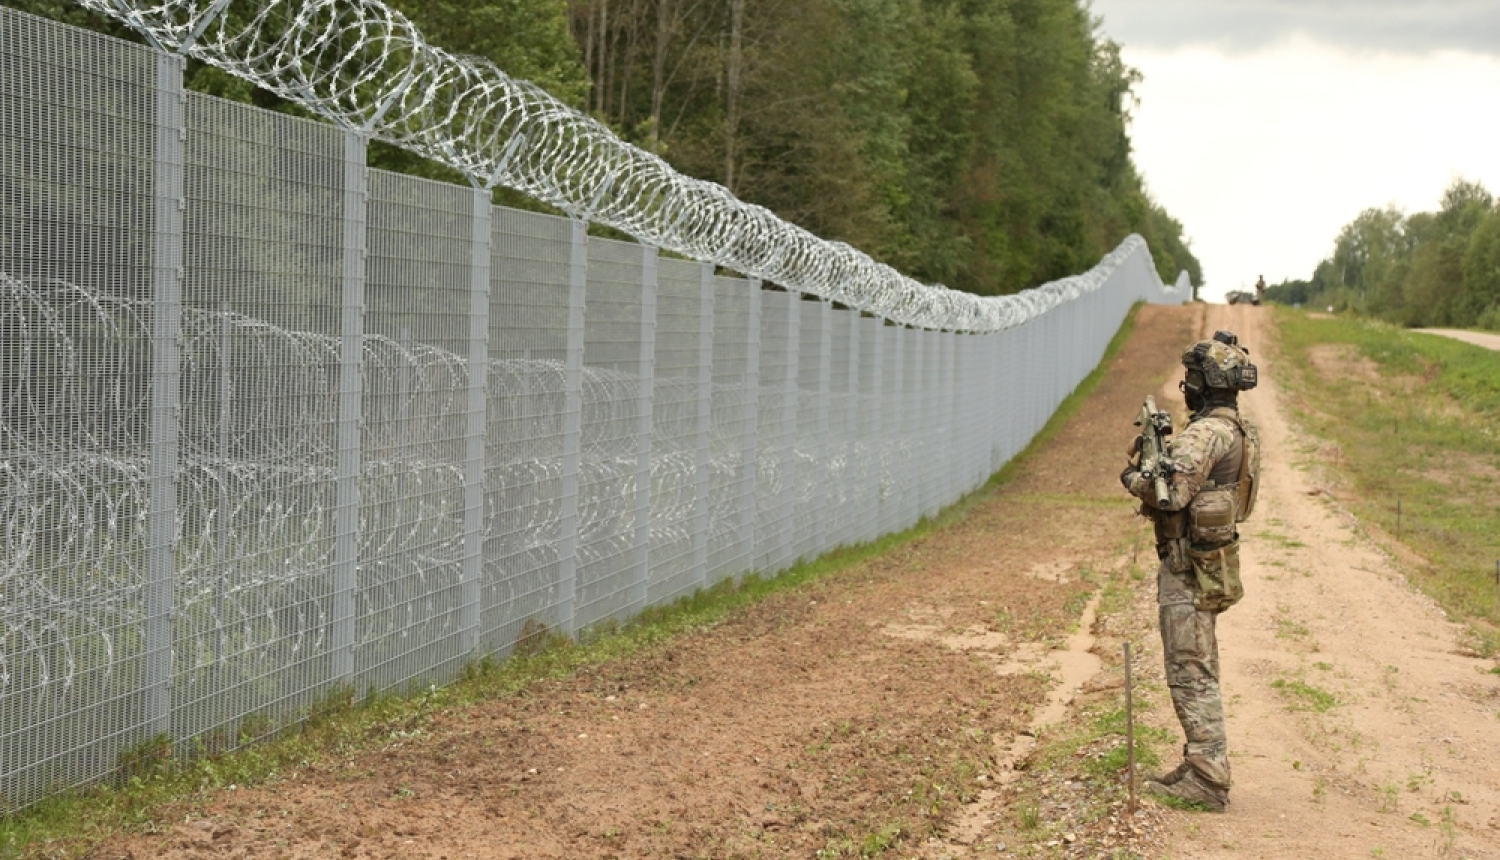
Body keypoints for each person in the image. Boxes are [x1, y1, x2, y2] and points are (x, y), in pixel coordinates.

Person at [1119, 330, 1261, 812]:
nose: (1187, 385)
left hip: (1187, 567)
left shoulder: (1207, 432)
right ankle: (1203, 760)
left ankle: (1208, 778)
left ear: (1203, 382)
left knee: (1189, 670)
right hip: (1209, 563)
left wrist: (1133, 476)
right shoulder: (1238, 428)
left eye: (1192, 378)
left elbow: (1172, 493)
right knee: (1200, 664)